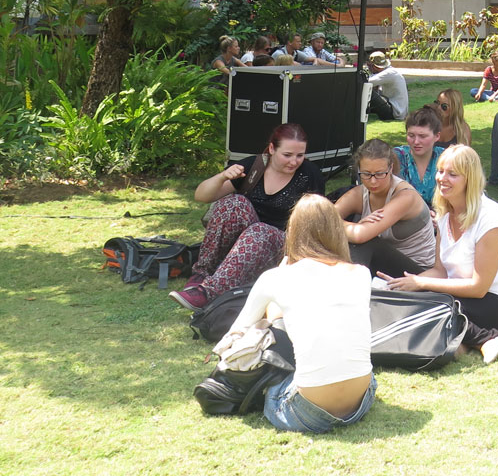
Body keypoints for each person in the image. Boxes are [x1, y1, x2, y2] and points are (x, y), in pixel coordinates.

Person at [227, 194, 375, 433]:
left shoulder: (276, 278)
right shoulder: (361, 273)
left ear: (293, 232)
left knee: (274, 375)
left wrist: (273, 308)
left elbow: (237, 332)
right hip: (360, 403)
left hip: (306, 411)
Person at [382, 145, 498, 364]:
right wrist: (406, 285)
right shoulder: (445, 216)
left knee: (427, 306)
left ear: (469, 179)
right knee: (407, 302)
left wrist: (420, 283)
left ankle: (486, 337)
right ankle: (460, 342)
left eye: (452, 174)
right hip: (457, 296)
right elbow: (440, 270)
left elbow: (478, 286)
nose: (442, 178)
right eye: (440, 171)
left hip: (493, 301)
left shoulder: (490, 217)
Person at [171, 123, 324, 310]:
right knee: (232, 203)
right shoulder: (255, 166)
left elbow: (315, 221)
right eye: (287, 155)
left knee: (259, 231)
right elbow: (201, 196)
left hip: (281, 245)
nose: (294, 162)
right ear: (271, 149)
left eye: (300, 155)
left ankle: (208, 292)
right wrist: (223, 177)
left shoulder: (309, 175)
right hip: (244, 242)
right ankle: (202, 274)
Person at [335, 139, 436, 278]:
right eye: (366, 174)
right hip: (384, 266)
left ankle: (350, 290)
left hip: (419, 272)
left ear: (390, 168)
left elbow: (360, 235)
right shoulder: (359, 194)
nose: (373, 181)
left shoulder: (405, 196)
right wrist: (354, 226)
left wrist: (350, 226)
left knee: (366, 242)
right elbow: (321, 218)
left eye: (380, 173)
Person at [394, 106, 444, 203]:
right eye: (411, 135)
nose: (416, 141)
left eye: (422, 136)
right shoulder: (397, 157)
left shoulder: (446, 158)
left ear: (437, 136)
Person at [365, 51, 409, 121]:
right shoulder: (390, 71)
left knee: (368, 90)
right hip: (396, 110)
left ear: (374, 66)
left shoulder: (389, 73)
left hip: (394, 112)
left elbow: (366, 82)